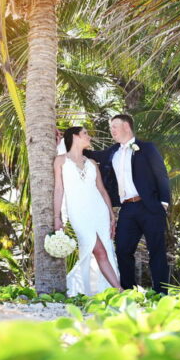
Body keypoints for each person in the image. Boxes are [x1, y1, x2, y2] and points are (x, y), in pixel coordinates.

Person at [87, 114, 172, 294]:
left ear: (126, 126)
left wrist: (164, 203)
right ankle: (129, 292)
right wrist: (65, 140)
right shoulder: (112, 151)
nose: (112, 130)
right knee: (123, 250)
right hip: (127, 208)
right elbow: (91, 154)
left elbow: (161, 174)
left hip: (150, 206)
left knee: (156, 251)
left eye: (114, 126)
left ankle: (161, 293)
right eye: (111, 128)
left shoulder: (147, 148)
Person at [53, 126, 122, 296]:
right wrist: (57, 217)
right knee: (98, 249)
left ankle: (113, 289)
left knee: (105, 248)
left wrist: (111, 215)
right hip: (78, 213)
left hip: (99, 210)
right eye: (85, 133)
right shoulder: (60, 160)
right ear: (75, 137)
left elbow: (102, 190)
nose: (89, 137)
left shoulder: (91, 163)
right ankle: (118, 289)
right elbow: (59, 190)